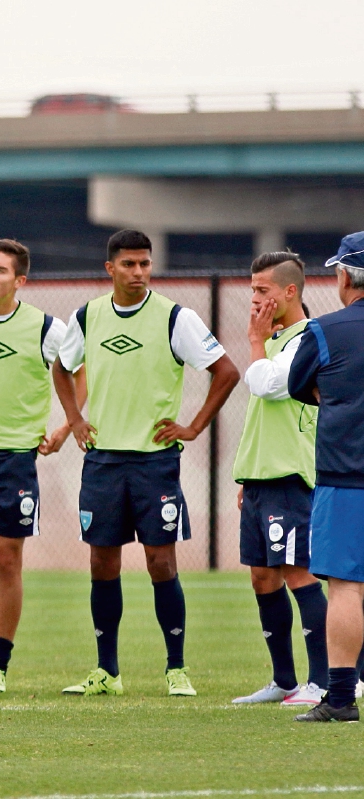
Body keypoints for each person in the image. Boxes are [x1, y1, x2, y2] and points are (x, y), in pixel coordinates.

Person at [52, 229, 239, 697]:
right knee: (102, 563)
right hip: (103, 461)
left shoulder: (175, 318)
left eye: (144, 263)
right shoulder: (88, 316)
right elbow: (61, 364)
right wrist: (74, 418)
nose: (139, 272)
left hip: (155, 463)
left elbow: (227, 371)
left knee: (161, 563)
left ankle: (176, 669)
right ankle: (107, 672)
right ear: (109, 268)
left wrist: (193, 426)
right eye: (129, 264)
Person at [0, 239, 75, 693]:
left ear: (19, 280)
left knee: (7, 562)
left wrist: (65, 427)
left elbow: (81, 372)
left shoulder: (45, 328)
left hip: (14, 463)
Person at [230, 252, 328, 707]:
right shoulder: (272, 338)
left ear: (291, 291)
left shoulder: (306, 337)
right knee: (262, 577)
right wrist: (248, 477)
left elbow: (269, 385)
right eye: (252, 290)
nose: (255, 299)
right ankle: (284, 680)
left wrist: (253, 340)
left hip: (290, 472)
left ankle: (324, 681)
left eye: (262, 290)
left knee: (297, 572)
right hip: (261, 474)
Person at [287, 231, 364, 722]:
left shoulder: (325, 330)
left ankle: (339, 697)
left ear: (343, 276)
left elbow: (297, 384)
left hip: (346, 475)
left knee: (346, 587)